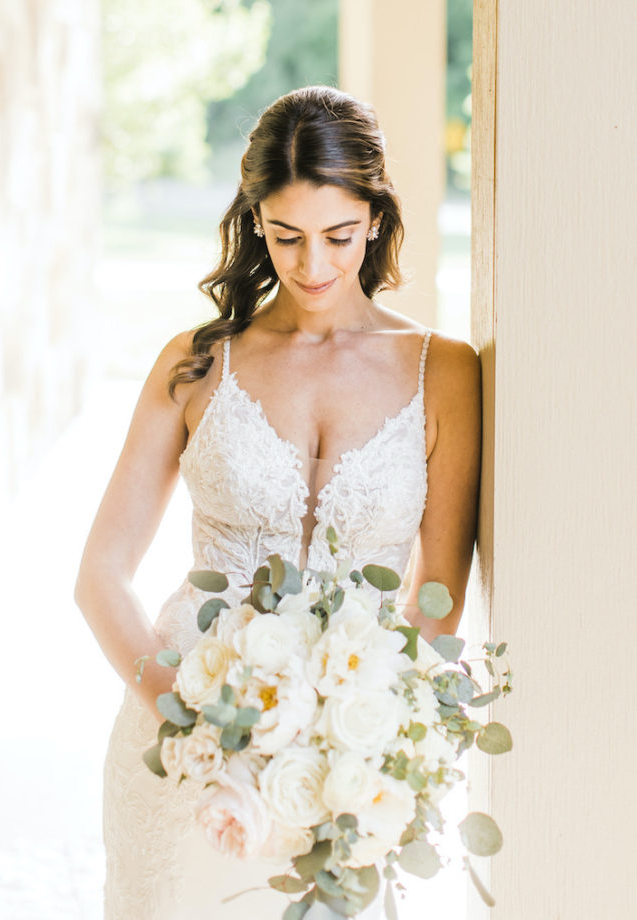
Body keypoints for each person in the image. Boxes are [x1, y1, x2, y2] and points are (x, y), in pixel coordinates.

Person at [75, 85, 481, 920]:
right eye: (286, 235)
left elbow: (438, 595)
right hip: (181, 745)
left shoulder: (443, 371)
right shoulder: (195, 363)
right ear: (254, 220)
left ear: (375, 217)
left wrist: (370, 736)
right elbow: (101, 575)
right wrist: (190, 725)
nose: (313, 266)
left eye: (337, 235)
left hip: (344, 759)